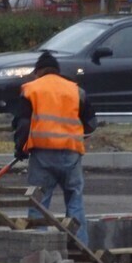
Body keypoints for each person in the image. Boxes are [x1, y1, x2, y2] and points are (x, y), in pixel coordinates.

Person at [13, 50, 97, 245]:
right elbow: (92, 123)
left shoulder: (31, 89)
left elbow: (23, 124)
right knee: (75, 201)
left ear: (38, 72)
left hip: (42, 156)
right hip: (71, 154)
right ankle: (79, 248)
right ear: (57, 71)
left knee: (38, 203)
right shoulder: (75, 90)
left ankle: (39, 249)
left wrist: (20, 148)